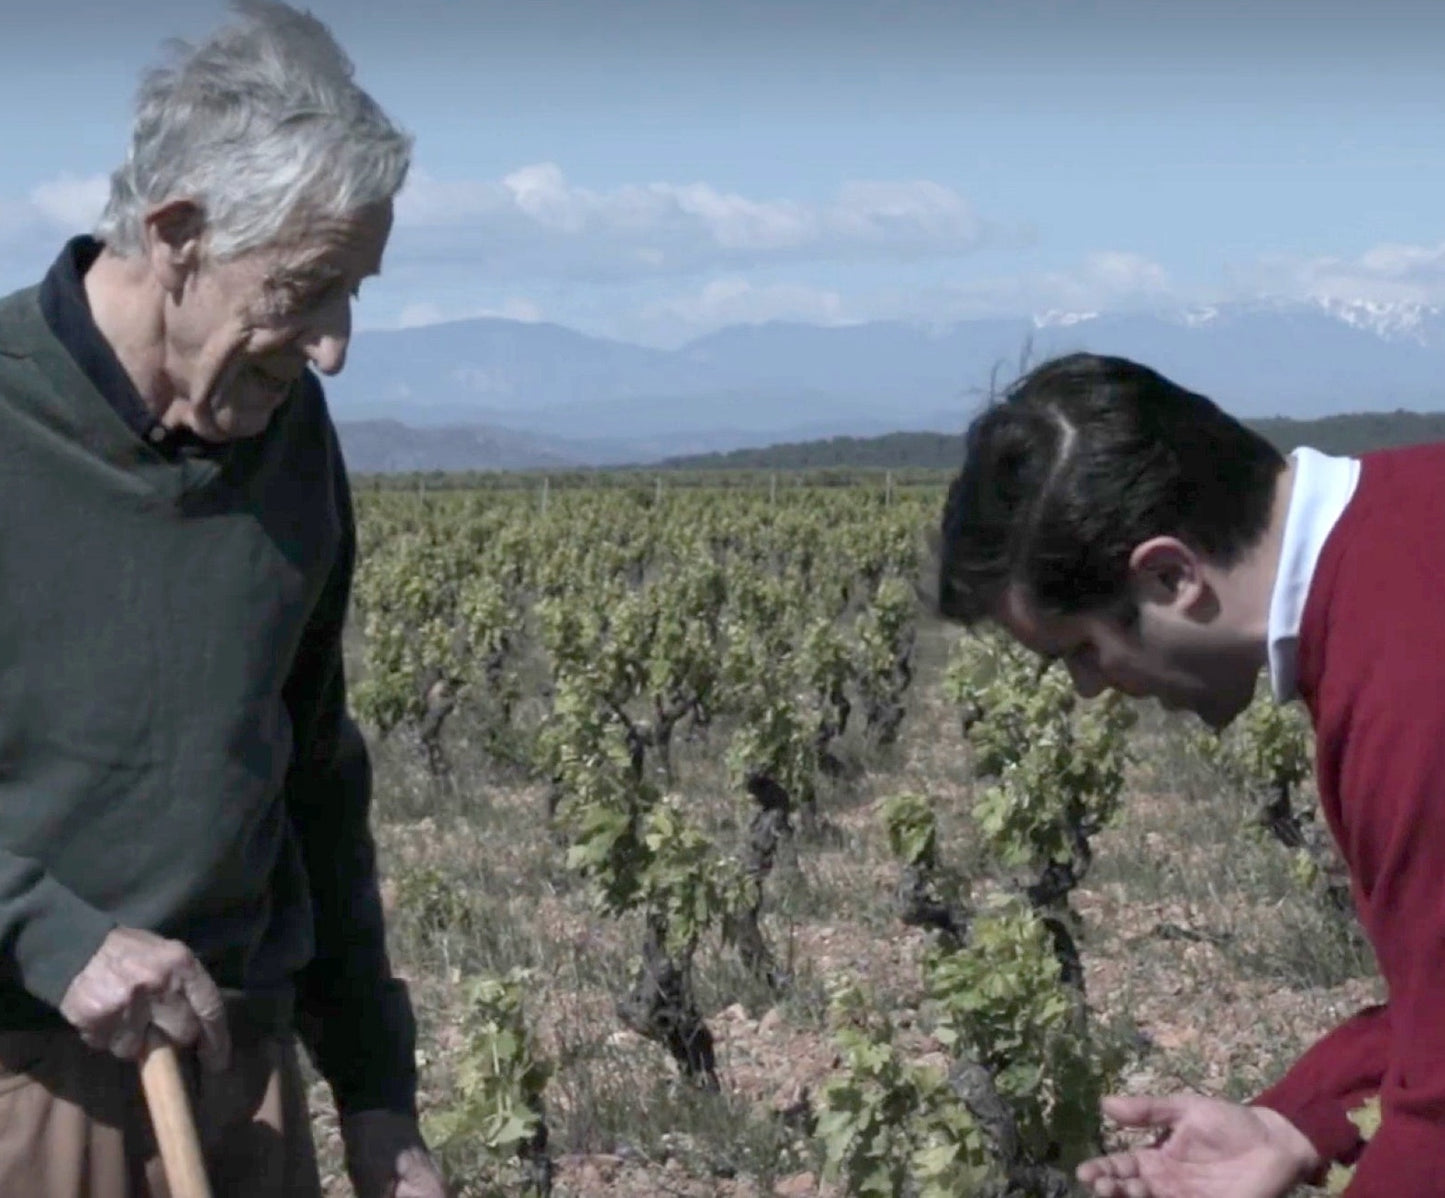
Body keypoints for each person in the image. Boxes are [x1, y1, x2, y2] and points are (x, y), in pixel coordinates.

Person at [0, 3, 446, 1195]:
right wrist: (49, 933)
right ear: (178, 234)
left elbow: (314, 774)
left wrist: (375, 1094)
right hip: (22, 1089)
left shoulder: (288, 433)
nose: (334, 344)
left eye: (353, 292)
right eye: (306, 289)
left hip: (237, 1077)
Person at [936, 350, 1445, 1197]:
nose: (1090, 688)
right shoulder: (1408, 521)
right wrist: (1297, 1121)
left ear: (1170, 575)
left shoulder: (1407, 694)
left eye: (1083, 650)